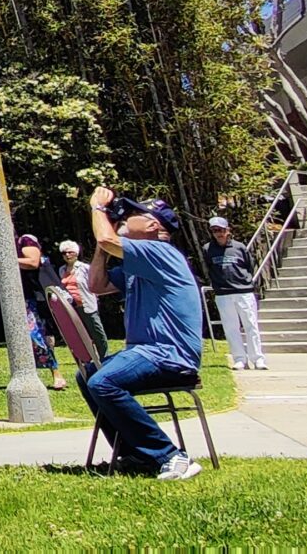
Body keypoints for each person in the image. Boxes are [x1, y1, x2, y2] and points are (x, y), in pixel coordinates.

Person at [82, 190, 208, 481]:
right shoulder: (139, 262)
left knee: (103, 381)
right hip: (148, 352)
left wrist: (99, 208)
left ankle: (170, 455)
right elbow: (97, 285)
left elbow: (106, 240)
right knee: (88, 375)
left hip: (167, 354)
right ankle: (135, 454)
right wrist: (106, 240)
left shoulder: (161, 252)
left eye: (132, 214)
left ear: (152, 225)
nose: (125, 217)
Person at [0, 235, 63, 391]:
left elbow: (33, 262)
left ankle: (56, 373)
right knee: (25, 337)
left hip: (35, 296)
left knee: (39, 335)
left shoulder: (24, 241)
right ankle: (29, 373)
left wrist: (6, 260)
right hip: (13, 300)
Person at [203, 216, 268, 370]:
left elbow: (249, 265)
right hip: (223, 293)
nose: (219, 233)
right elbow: (209, 268)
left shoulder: (239, 247)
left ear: (228, 230)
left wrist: (246, 282)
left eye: (221, 230)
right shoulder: (207, 249)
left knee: (250, 325)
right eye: (215, 230)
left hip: (243, 291)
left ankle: (257, 358)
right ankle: (239, 358)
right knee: (231, 327)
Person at [57, 239, 108, 358]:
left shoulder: (85, 268)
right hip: (72, 307)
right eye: (64, 253)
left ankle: (104, 356)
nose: (67, 255)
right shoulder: (62, 270)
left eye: (70, 252)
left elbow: (95, 283)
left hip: (86, 304)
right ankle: (89, 357)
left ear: (76, 253)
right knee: (81, 334)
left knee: (96, 331)